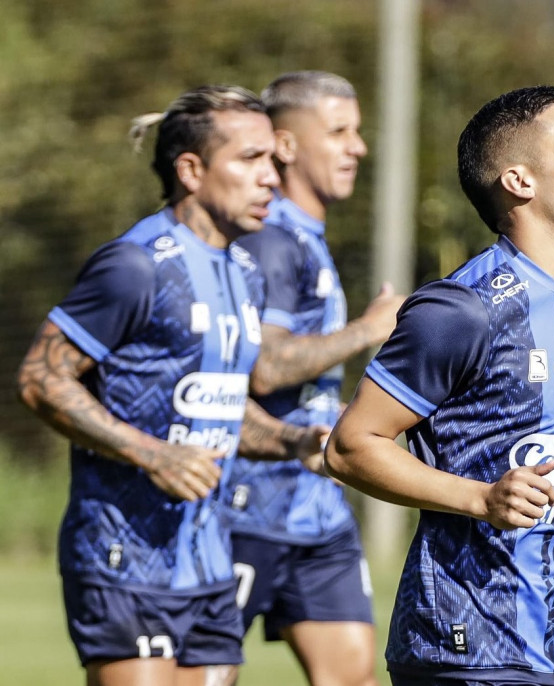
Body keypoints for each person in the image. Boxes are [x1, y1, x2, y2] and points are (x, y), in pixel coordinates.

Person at [325, 85, 554, 685]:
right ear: (519, 181)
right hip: (459, 647)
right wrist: (479, 501)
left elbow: (538, 465)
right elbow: (350, 446)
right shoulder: (463, 308)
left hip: (545, 650)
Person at [16, 85, 328, 686]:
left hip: (209, 563)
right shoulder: (135, 266)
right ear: (191, 169)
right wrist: (152, 454)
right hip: (122, 560)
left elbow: (220, 408)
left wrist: (295, 441)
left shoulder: (242, 271)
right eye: (251, 159)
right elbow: (40, 379)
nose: (272, 178)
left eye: (274, 161)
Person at [221, 71, 403, 686]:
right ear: (286, 145)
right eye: (339, 132)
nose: (358, 147)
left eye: (358, 131)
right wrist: (369, 328)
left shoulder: (308, 238)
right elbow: (265, 365)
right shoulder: (272, 240)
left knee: (352, 675)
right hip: (246, 507)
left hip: (316, 510)